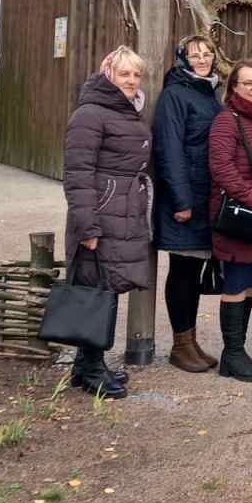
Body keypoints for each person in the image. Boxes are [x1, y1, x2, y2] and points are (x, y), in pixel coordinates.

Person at [61, 45, 154, 399]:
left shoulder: (127, 111)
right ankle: (92, 368)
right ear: (108, 75)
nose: (131, 80)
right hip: (101, 212)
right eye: (124, 74)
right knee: (94, 287)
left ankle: (87, 365)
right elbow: (78, 173)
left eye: (136, 75)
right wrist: (88, 226)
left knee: (104, 286)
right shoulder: (91, 114)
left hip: (122, 211)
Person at [152, 34, 222, 373]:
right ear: (182, 58)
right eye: (195, 54)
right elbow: (170, 149)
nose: (203, 59)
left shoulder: (209, 94)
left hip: (204, 197)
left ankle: (190, 340)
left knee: (193, 272)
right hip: (186, 199)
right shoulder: (175, 94)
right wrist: (181, 199)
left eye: (207, 54)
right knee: (182, 271)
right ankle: (180, 345)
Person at [208, 60, 252, 382]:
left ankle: (234, 353)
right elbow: (221, 168)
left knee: (248, 284)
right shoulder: (226, 121)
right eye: (247, 83)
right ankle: (233, 353)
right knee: (235, 283)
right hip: (237, 215)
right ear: (233, 86)